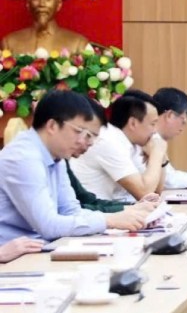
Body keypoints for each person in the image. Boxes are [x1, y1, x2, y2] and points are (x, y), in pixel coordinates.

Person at [0, 90, 146, 242]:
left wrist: (123, 217)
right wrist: (110, 221)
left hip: (40, 248)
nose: (87, 143)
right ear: (52, 126)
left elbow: (70, 211)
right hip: (14, 259)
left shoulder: (57, 157)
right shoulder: (23, 158)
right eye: (82, 133)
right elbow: (48, 226)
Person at [71, 89, 167, 203]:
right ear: (133, 123)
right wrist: (157, 154)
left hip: (106, 210)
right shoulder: (108, 141)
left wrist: (161, 159)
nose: (155, 131)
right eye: (152, 124)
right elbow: (145, 193)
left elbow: (156, 192)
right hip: (91, 211)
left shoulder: (130, 143)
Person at [0, 0, 89, 54]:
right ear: (28, 3)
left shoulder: (78, 44)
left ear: (58, 4)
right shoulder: (9, 43)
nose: (42, 4)